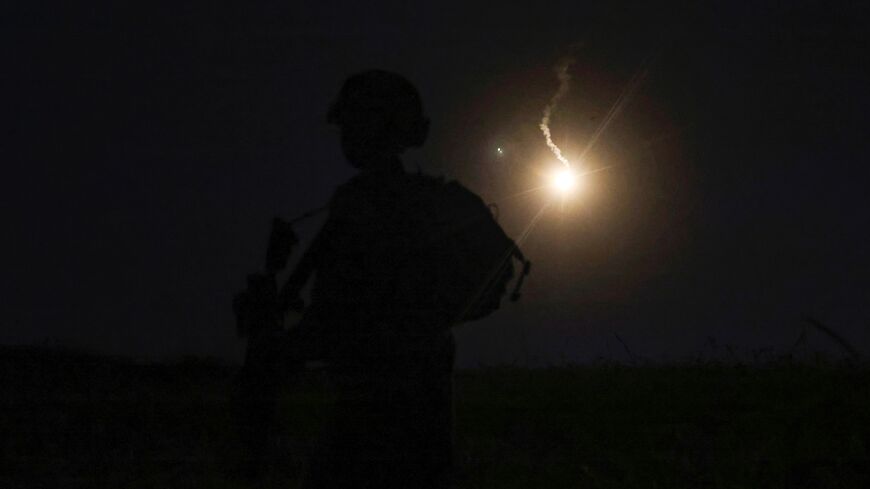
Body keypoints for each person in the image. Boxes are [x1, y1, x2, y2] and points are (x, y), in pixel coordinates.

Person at [280, 70, 457, 489]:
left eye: (354, 122)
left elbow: (345, 310)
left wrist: (287, 348)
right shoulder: (415, 201)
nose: (344, 134)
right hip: (420, 415)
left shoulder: (367, 206)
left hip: (376, 418)